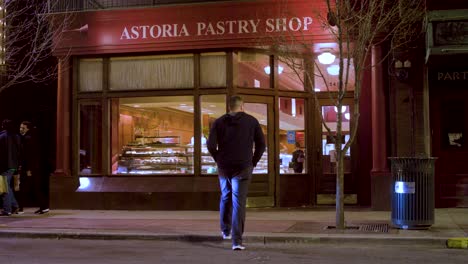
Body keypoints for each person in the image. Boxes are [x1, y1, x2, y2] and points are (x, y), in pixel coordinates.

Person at [207, 95, 266, 251]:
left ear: (229, 107)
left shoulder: (218, 122)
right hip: (243, 166)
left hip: (224, 167)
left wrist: (218, 158)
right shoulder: (251, 121)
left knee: (226, 196)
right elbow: (261, 144)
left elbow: (211, 144)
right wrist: (253, 161)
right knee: (238, 202)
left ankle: (225, 230)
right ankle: (237, 241)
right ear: (242, 106)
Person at [19, 121, 49, 214]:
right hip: (33, 167)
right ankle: (43, 206)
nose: (21, 129)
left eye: (23, 128)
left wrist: (28, 169)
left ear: (28, 128)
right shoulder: (30, 138)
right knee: (34, 188)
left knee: (29, 187)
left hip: (30, 168)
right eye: (20, 127)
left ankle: (20, 208)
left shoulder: (28, 139)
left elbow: (29, 156)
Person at [0, 119, 21, 216]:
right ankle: (15, 206)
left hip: (4, 166)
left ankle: (7, 209)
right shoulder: (16, 136)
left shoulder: (2, 136)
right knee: (7, 186)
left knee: (4, 188)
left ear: (3, 126)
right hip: (13, 166)